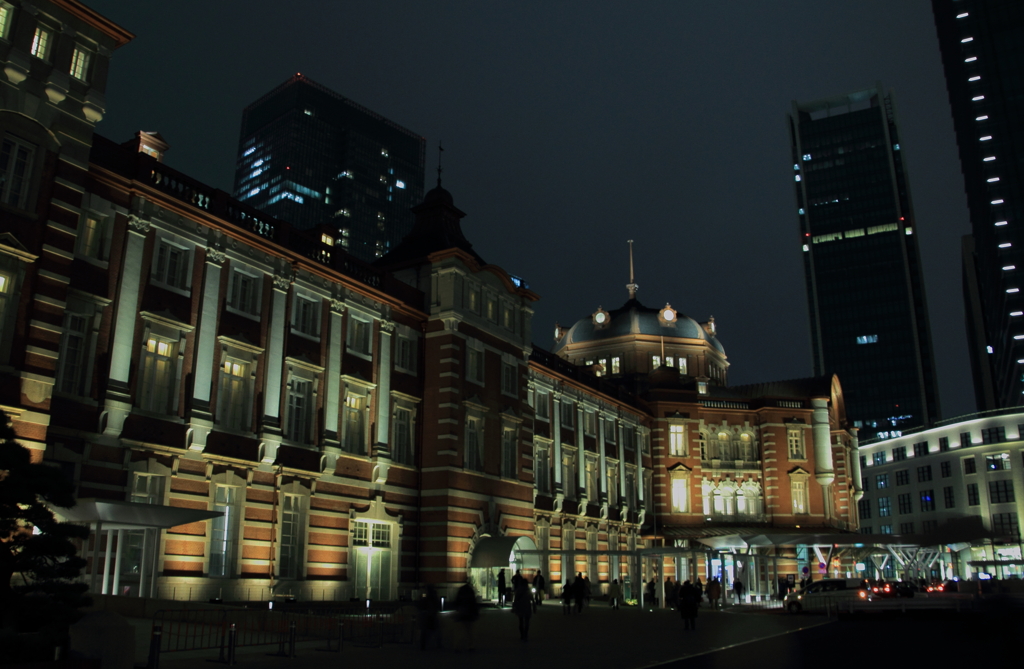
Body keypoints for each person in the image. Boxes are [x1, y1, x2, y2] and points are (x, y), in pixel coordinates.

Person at [454, 580, 479, 651]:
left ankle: (457, 646)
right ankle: (470, 646)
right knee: (470, 631)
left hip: (462, 612)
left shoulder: (461, 590)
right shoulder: (471, 591)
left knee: (460, 630)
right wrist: (476, 613)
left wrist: (457, 609)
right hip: (470, 613)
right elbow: (473, 603)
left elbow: (457, 601)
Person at [418, 584, 441, 650]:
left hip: (427, 614)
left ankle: (423, 645)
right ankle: (437, 644)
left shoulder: (426, 596)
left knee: (425, 631)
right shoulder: (434, 596)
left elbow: (421, 604)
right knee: (435, 630)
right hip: (432, 614)